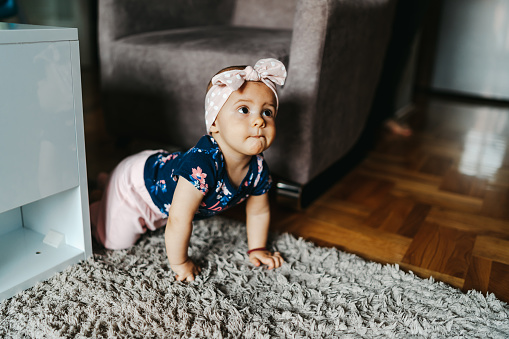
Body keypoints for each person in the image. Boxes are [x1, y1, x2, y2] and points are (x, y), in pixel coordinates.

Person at [90, 58, 286, 281]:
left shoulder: (258, 168)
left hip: (166, 182)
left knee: (168, 210)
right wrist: (180, 262)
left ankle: (106, 187)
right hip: (137, 186)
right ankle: (100, 204)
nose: (259, 121)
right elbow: (178, 219)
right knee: (114, 242)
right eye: (244, 109)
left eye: (267, 112)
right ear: (214, 124)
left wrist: (257, 249)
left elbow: (258, 211)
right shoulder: (203, 164)